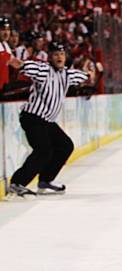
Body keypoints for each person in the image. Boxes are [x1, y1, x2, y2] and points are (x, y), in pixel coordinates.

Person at [6, 42, 91, 198]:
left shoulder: (67, 74)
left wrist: (90, 73)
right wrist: (10, 59)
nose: (59, 57)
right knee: (43, 150)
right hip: (32, 118)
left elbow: (84, 75)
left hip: (47, 121)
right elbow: (22, 65)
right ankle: (17, 182)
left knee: (65, 146)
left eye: (62, 54)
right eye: (55, 54)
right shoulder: (43, 70)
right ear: (50, 57)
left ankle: (45, 180)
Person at [0, 17, 12, 93]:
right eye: (3, 29)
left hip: (3, 88)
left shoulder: (6, 45)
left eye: (8, 29)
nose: (6, 33)